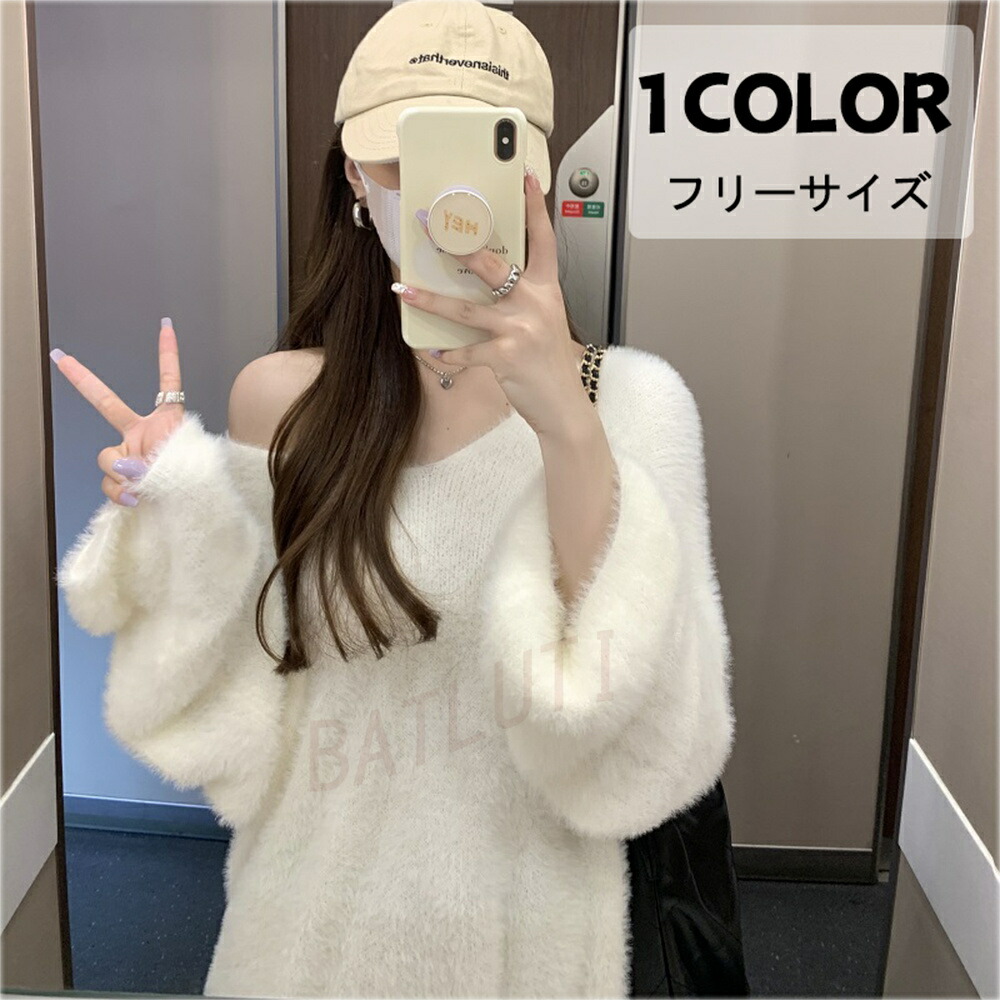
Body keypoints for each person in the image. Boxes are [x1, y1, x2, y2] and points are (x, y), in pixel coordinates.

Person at [52, 2, 738, 996]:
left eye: (473, 160)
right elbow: (238, 717)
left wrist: (568, 430)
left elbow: (650, 748)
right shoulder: (279, 399)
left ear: (535, 181)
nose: (437, 201)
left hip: (530, 942)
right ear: (352, 182)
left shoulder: (633, 404)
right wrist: (177, 517)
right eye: (400, 162)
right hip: (306, 929)